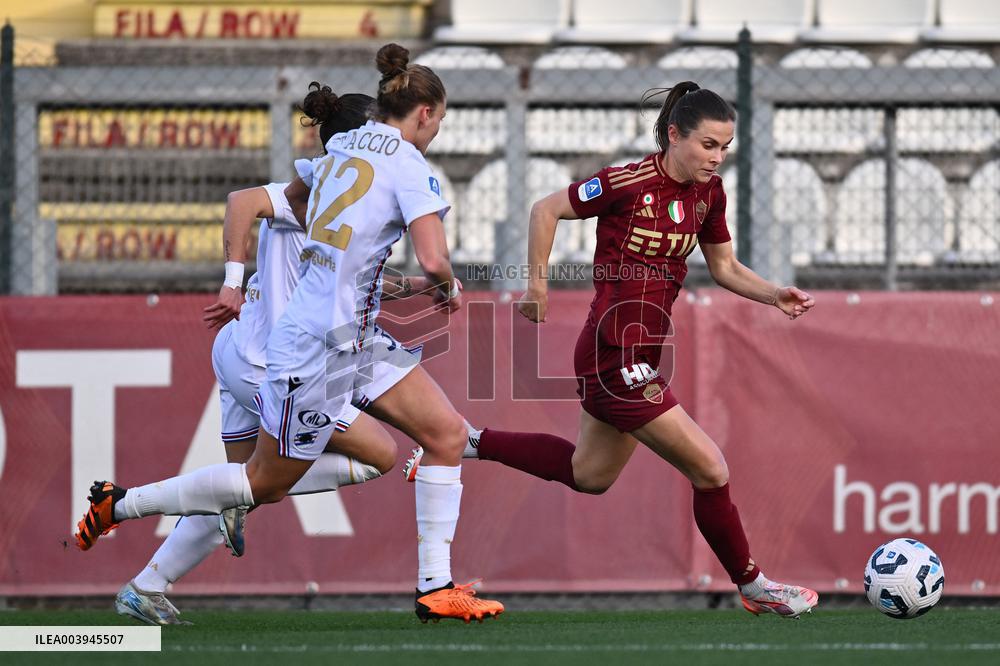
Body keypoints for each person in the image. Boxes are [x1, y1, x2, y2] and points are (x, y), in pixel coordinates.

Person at [75, 45, 504, 625]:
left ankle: (436, 586)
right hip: (307, 350)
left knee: (444, 434)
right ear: (424, 112)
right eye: (440, 120)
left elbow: (313, 222)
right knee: (260, 484)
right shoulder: (406, 164)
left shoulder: (343, 149)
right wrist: (448, 285)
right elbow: (432, 258)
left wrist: (388, 280)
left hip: (344, 338)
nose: (437, 131)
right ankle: (122, 504)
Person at [409, 82, 819, 618]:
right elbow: (545, 210)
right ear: (674, 135)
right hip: (613, 356)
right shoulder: (625, 183)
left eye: (725, 147)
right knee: (711, 469)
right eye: (708, 145)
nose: (718, 158)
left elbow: (724, 267)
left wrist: (774, 295)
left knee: (590, 475)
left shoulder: (709, 194)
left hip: (642, 355)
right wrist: (537, 288)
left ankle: (467, 440)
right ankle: (754, 584)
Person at [110, 84, 426, 626]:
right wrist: (232, 281)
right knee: (375, 454)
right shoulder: (314, 191)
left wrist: (422, 286)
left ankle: (146, 587)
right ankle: (121, 503)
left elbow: (356, 283)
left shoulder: (341, 203)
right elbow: (243, 201)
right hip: (269, 362)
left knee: (237, 487)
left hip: (245, 348)